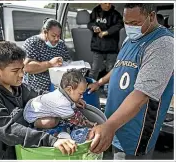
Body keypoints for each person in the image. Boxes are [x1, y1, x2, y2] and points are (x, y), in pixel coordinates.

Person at [87, 3, 174, 160]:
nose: (129, 27)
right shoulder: (130, 38)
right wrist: (99, 82)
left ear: (152, 16)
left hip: (137, 130)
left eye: (135, 23)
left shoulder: (163, 44)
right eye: (126, 22)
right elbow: (120, 66)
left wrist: (110, 125)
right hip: (116, 121)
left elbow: (142, 94)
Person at [0, 41, 77, 160]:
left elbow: (40, 95)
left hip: (21, 152)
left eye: (22, 69)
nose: (21, 74)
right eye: (15, 71)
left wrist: (68, 99)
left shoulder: (19, 86)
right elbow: (7, 129)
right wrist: (51, 140)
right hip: (2, 155)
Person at [24, 70, 96, 129]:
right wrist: (90, 125)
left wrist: (76, 101)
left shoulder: (63, 93)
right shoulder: (62, 102)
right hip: (32, 116)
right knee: (51, 122)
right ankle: (36, 127)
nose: (82, 97)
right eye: (80, 94)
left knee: (68, 114)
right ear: (69, 89)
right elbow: (77, 120)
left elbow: (75, 111)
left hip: (34, 106)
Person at [23, 18, 71, 92]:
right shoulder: (32, 43)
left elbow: (68, 61)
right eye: (53, 35)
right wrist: (50, 64)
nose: (56, 39)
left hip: (58, 90)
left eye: (59, 36)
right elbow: (26, 67)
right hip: (36, 91)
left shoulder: (61, 44)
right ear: (45, 32)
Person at [87, 3, 123, 80]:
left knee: (111, 70)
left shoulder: (115, 14)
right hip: (98, 47)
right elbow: (90, 23)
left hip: (111, 48)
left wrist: (107, 32)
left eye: (109, 3)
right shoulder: (95, 12)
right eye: (105, 3)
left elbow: (119, 25)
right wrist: (94, 27)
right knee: (94, 69)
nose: (108, 5)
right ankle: (90, 86)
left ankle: (109, 89)